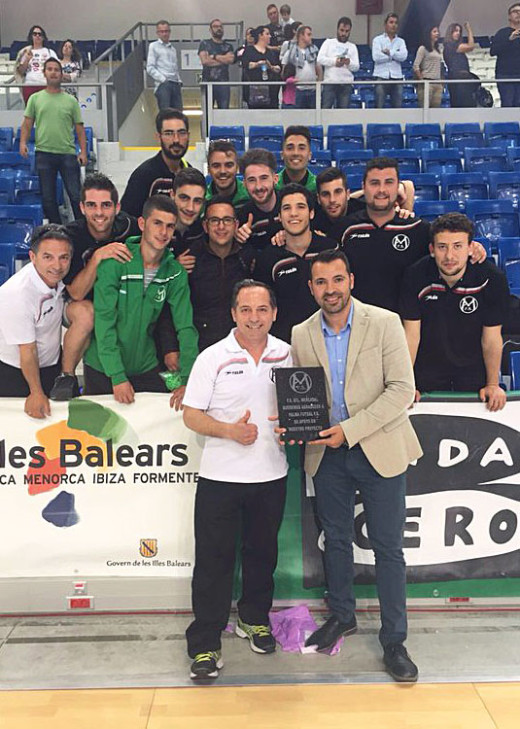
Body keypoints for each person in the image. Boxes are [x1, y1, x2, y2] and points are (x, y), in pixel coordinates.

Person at [286, 248, 422, 683]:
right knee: (337, 540)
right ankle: (342, 616)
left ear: (351, 280)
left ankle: (394, 641)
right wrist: (290, 419)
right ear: (311, 287)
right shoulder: (300, 332)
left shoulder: (384, 323)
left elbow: (402, 390)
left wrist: (352, 429)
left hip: (379, 447)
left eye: (337, 280)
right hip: (327, 453)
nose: (331, 289)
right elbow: (301, 395)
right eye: (321, 282)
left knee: (388, 549)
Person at [183, 279, 292, 680]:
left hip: (271, 474)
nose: (254, 318)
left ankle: (253, 618)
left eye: (262, 309)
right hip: (220, 477)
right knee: (214, 561)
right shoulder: (213, 357)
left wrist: (294, 429)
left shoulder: (288, 354)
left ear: (274, 313)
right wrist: (230, 431)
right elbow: (191, 414)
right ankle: (205, 642)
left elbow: (303, 408)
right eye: (245, 309)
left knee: (262, 554)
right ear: (233, 314)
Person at [83, 195, 198, 409]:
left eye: (170, 226)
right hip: (103, 368)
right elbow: (104, 323)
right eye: (157, 223)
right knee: (100, 438)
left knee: (167, 411)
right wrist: (117, 376)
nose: (163, 232)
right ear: (142, 224)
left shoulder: (175, 273)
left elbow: (186, 328)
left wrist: (185, 380)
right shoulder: (115, 263)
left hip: (146, 366)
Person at [341, 157, 487, 314]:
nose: (381, 190)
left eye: (389, 182)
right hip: (359, 323)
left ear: (398, 187)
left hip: (409, 324)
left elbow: (447, 247)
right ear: (364, 187)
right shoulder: (346, 229)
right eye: (374, 183)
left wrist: (475, 248)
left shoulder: (418, 229)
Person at [401, 213, 509, 411]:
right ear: (432, 250)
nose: (449, 256)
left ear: (470, 248)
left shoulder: (492, 278)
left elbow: (491, 338)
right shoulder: (415, 275)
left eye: (457, 246)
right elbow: (411, 336)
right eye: (442, 247)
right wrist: (407, 384)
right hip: (427, 373)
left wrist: (493, 384)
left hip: (473, 375)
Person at [49, 173, 140, 401]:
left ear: (117, 207)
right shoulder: (72, 235)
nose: (99, 213)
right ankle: (67, 376)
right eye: (92, 205)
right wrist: (98, 256)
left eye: (106, 205)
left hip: (116, 300)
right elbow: (76, 293)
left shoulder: (129, 227)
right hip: (76, 303)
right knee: (88, 314)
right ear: (81, 207)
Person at [0, 224, 72, 417]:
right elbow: (27, 349)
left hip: (51, 364)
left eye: (63, 258)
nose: (57, 266)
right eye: (48, 257)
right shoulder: (16, 294)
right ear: (32, 257)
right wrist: (36, 392)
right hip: (15, 374)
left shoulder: (58, 277)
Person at [254, 184, 337, 342]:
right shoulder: (268, 258)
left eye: (300, 207)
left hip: (329, 342)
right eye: (286, 208)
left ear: (311, 213)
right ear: (279, 216)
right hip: (286, 347)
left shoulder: (330, 249)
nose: (293, 214)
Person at [20, 58, 87, 224]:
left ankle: (82, 230)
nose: (53, 72)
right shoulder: (35, 99)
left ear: (61, 73)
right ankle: (58, 230)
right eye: (49, 69)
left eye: (56, 69)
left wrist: (84, 152)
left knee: (76, 195)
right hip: (44, 154)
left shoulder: (71, 101)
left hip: (68, 154)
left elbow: (79, 128)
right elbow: (27, 124)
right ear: (44, 73)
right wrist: (22, 143)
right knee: (48, 198)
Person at [185, 197, 251, 350]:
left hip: (242, 345)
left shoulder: (248, 257)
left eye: (227, 220)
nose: (221, 226)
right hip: (200, 346)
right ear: (205, 226)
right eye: (214, 220)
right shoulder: (190, 259)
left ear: (236, 225)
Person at [120, 109, 191, 218]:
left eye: (181, 133)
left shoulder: (190, 173)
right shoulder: (144, 175)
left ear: (188, 136)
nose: (176, 140)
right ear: (158, 137)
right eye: (169, 133)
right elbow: (127, 218)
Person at [236, 148, 282, 252]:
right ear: (244, 183)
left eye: (264, 178)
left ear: (275, 179)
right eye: (252, 180)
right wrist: (237, 241)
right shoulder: (241, 217)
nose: (258, 187)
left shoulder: (291, 206)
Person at [317, 17, 360, 109]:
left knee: (343, 115)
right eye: (341, 30)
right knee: (325, 111)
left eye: (346, 31)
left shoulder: (352, 47)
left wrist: (349, 62)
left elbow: (356, 67)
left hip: (346, 84)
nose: (343, 33)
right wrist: (334, 62)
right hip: (330, 83)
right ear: (337, 29)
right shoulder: (328, 42)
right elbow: (320, 59)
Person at [372, 13, 407, 109]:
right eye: (391, 22)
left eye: (396, 23)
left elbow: (403, 56)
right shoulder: (377, 40)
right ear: (385, 24)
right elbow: (376, 57)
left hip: (397, 77)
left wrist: (389, 52)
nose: (393, 25)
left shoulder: (401, 41)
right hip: (381, 76)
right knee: (379, 107)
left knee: (397, 108)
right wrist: (394, 55)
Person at [16, 25, 57, 105]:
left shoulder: (49, 52)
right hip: (29, 85)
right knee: (31, 114)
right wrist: (27, 59)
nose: (37, 36)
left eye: (40, 34)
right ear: (31, 37)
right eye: (35, 34)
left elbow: (57, 68)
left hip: (45, 85)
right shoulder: (26, 52)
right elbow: (21, 71)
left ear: (43, 37)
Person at [198, 19, 235, 110]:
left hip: (223, 83)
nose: (219, 28)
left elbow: (230, 60)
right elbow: (205, 61)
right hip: (208, 83)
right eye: (215, 26)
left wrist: (213, 56)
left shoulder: (228, 46)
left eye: (220, 26)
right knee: (207, 112)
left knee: (224, 112)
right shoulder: (205, 44)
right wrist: (223, 59)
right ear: (210, 30)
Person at [241, 26, 281, 109]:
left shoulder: (270, 52)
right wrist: (257, 64)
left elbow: (278, 68)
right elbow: (246, 64)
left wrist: (270, 67)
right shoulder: (249, 50)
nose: (269, 36)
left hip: (270, 90)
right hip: (254, 89)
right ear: (260, 35)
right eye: (267, 34)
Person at [146, 20, 183, 111]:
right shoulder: (153, 46)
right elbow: (150, 68)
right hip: (163, 85)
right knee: (165, 115)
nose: (164, 34)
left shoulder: (173, 49)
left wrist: (179, 80)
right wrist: (163, 80)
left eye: (166, 31)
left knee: (178, 114)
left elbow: (175, 68)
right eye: (162, 31)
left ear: (169, 32)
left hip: (175, 84)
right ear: (157, 33)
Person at [283, 25, 321, 109]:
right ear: (301, 35)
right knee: (297, 119)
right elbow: (284, 72)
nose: (311, 37)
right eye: (309, 34)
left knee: (312, 119)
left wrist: (318, 85)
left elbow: (319, 70)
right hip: (297, 90)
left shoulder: (314, 51)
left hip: (312, 90)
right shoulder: (290, 53)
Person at [490, 3, 520, 108]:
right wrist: (509, 40)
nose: (518, 13)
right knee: (508, 104)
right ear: (509, 16)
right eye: (515, 11)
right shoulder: (502, 33)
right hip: (506, 76)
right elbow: (493, 51)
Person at [443, 22, 478, 108]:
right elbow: (471, 46)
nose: (458, 33)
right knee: (460, 103)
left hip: (463, 78)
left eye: (459, 31)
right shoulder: (450, 46)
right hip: (457, 78)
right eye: (455, 31)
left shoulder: (453, 46)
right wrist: (469, 29)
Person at [205, 140, 250, 208]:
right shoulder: (202, 201)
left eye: (229, 165)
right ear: (208, 170)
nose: (223, 171)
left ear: (237, 168)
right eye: (216, 166)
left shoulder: (250, 196)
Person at [276, 125, 316, 192]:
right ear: (282, 154)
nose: (295, 153)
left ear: (309, 155)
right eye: (290, 148)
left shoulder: (318, 187)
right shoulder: (272, 186)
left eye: (301, 148)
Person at [413, 26, 443, 108]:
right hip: (427, 82)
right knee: (424, 109)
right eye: (434, 31)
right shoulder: (423, 48)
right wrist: (421, 80)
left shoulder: (438, 49)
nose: (437, 33)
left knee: (436, 110)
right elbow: (416, 65)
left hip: (437, 82)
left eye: (437, 32)